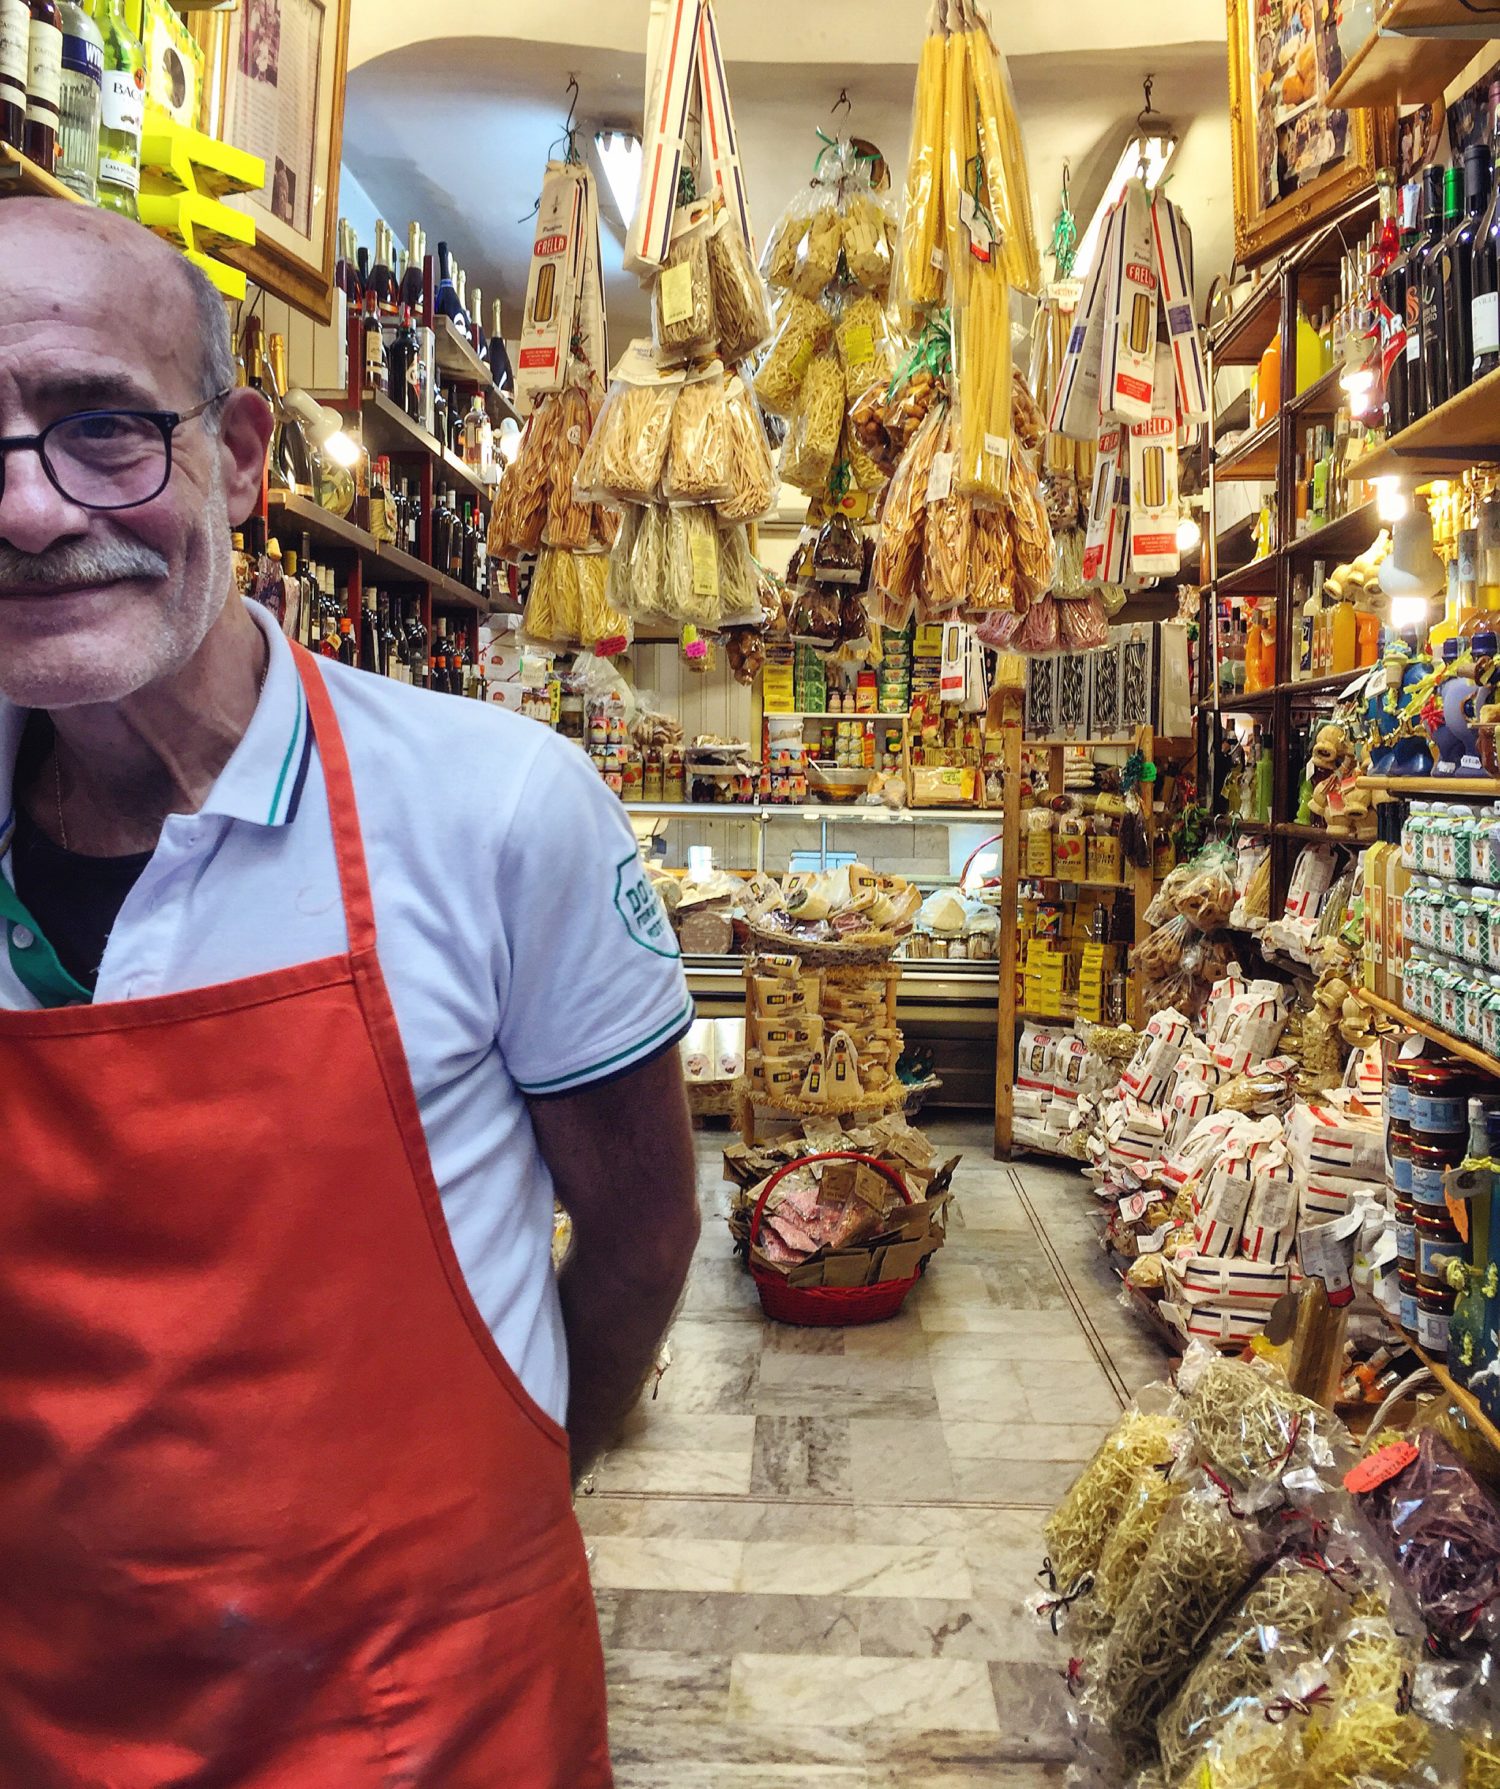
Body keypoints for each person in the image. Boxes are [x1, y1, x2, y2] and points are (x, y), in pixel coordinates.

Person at [0, 198, 700, 1785]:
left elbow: (645, 1239)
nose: (30, 509)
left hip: (425, 1721)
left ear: (242, 455)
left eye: (101, 425)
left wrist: (488, 1516)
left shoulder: (500, 806)